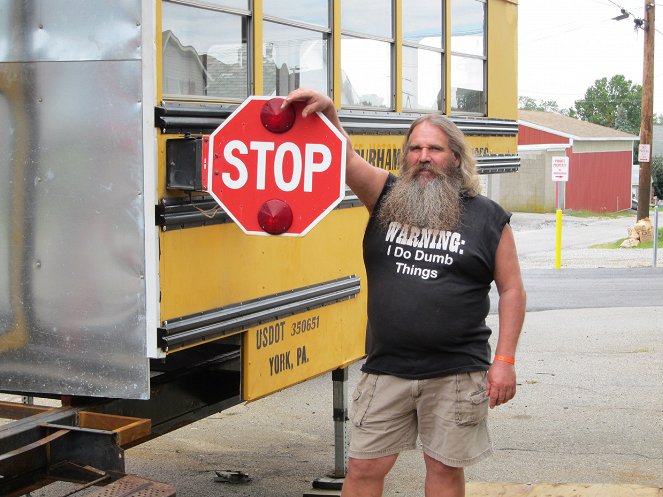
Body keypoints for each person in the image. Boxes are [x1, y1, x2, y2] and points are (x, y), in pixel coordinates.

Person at [283, 89, 526, 497]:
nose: (423, 156)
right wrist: (328, 114)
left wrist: (504, 360)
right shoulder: (384, 197)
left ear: (456, 158)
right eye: (415, 148)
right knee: (363, 468)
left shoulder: (488, 217)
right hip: (387, 367)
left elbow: (513, 290)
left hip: (456, 370)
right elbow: (344, 159)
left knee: (445, 470)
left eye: (434, 147)